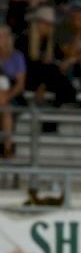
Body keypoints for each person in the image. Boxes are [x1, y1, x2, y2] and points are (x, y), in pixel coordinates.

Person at [21, 5, 77, 113]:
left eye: (51, 24)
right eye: (46, 23)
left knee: (55, 71)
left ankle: (58, 109)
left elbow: (60, 58)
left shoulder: (50, 42)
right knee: (51, 69)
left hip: (46, 80)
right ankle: (63, 104)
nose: (49, 27)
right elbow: (26, 66)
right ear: (37, 23)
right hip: (28, 78)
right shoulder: (24, 40)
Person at [0, 26, 27, 162]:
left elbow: (20, 84)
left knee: (6, 109)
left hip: (12, 95)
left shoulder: (17, 56)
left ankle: (7, 147)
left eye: (3, 36)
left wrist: (6, 97)